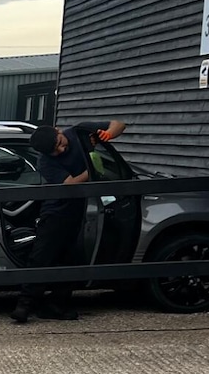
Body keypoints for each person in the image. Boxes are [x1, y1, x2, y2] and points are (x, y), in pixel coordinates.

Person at [12, 118, 128, 323]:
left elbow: (119, 124)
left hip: (78, 211)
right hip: (55, 212)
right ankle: (25, 305)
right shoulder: (44, 162)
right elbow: (70, 184)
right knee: (41, 258)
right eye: (54, 151)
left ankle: (56, 305)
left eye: (59, 143)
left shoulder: (79, 131)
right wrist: (92, 168)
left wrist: (107, 135)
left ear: (58, 131)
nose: (60, 150)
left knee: (72, 259)